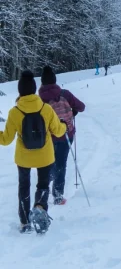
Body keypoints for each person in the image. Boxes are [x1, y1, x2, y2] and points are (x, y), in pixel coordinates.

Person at [0, 70, 67, 233]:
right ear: (34, 89)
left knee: (24, 187)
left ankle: (24, 222)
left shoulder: (14, 112)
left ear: (20, 91)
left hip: (23, 158)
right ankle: (39, 208)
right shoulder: (46, 109)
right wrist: (64, 125)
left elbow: (6, 139)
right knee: (43, 185)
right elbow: (58, 131)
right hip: (45, 156)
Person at [39, 66, 85, 205]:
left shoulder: (39, 99)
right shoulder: (65, 94)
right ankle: (58, 196)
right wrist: (73, 111)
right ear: (54, 80)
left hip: (49, 137)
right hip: (66, 134)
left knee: (50, 162)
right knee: (61, 164)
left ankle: (50, 176)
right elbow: (81, 107)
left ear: (42, 83)